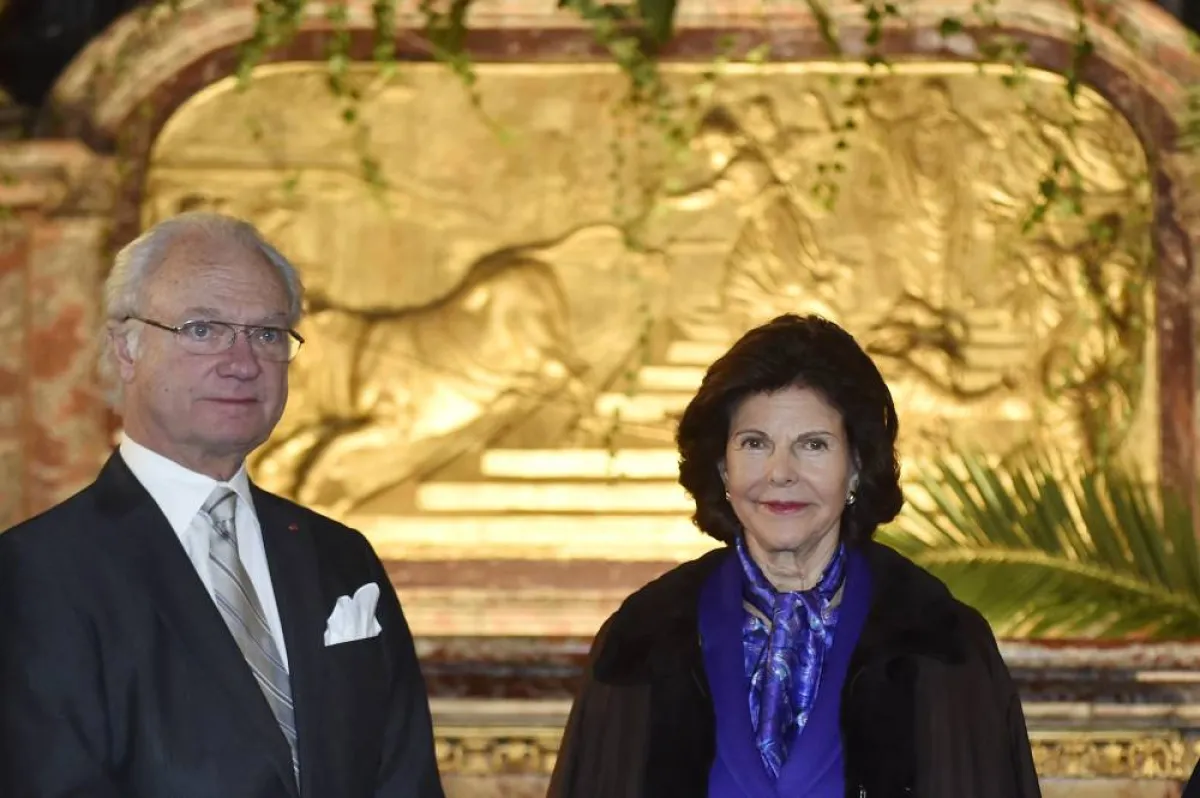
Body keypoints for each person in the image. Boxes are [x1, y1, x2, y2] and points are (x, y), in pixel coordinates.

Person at [0, 212, 445, 798]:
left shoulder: (340, 556)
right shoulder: (36, 572)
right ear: (126, 349)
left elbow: (405, 779)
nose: (242, 363)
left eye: (266, 334)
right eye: (202, 330)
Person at [548, 314, 1041, 798]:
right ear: (723, 466)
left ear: (856, 467)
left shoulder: (943, 645)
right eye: (755, 443)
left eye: (813, 445)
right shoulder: (640, 642)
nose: (780, 473)